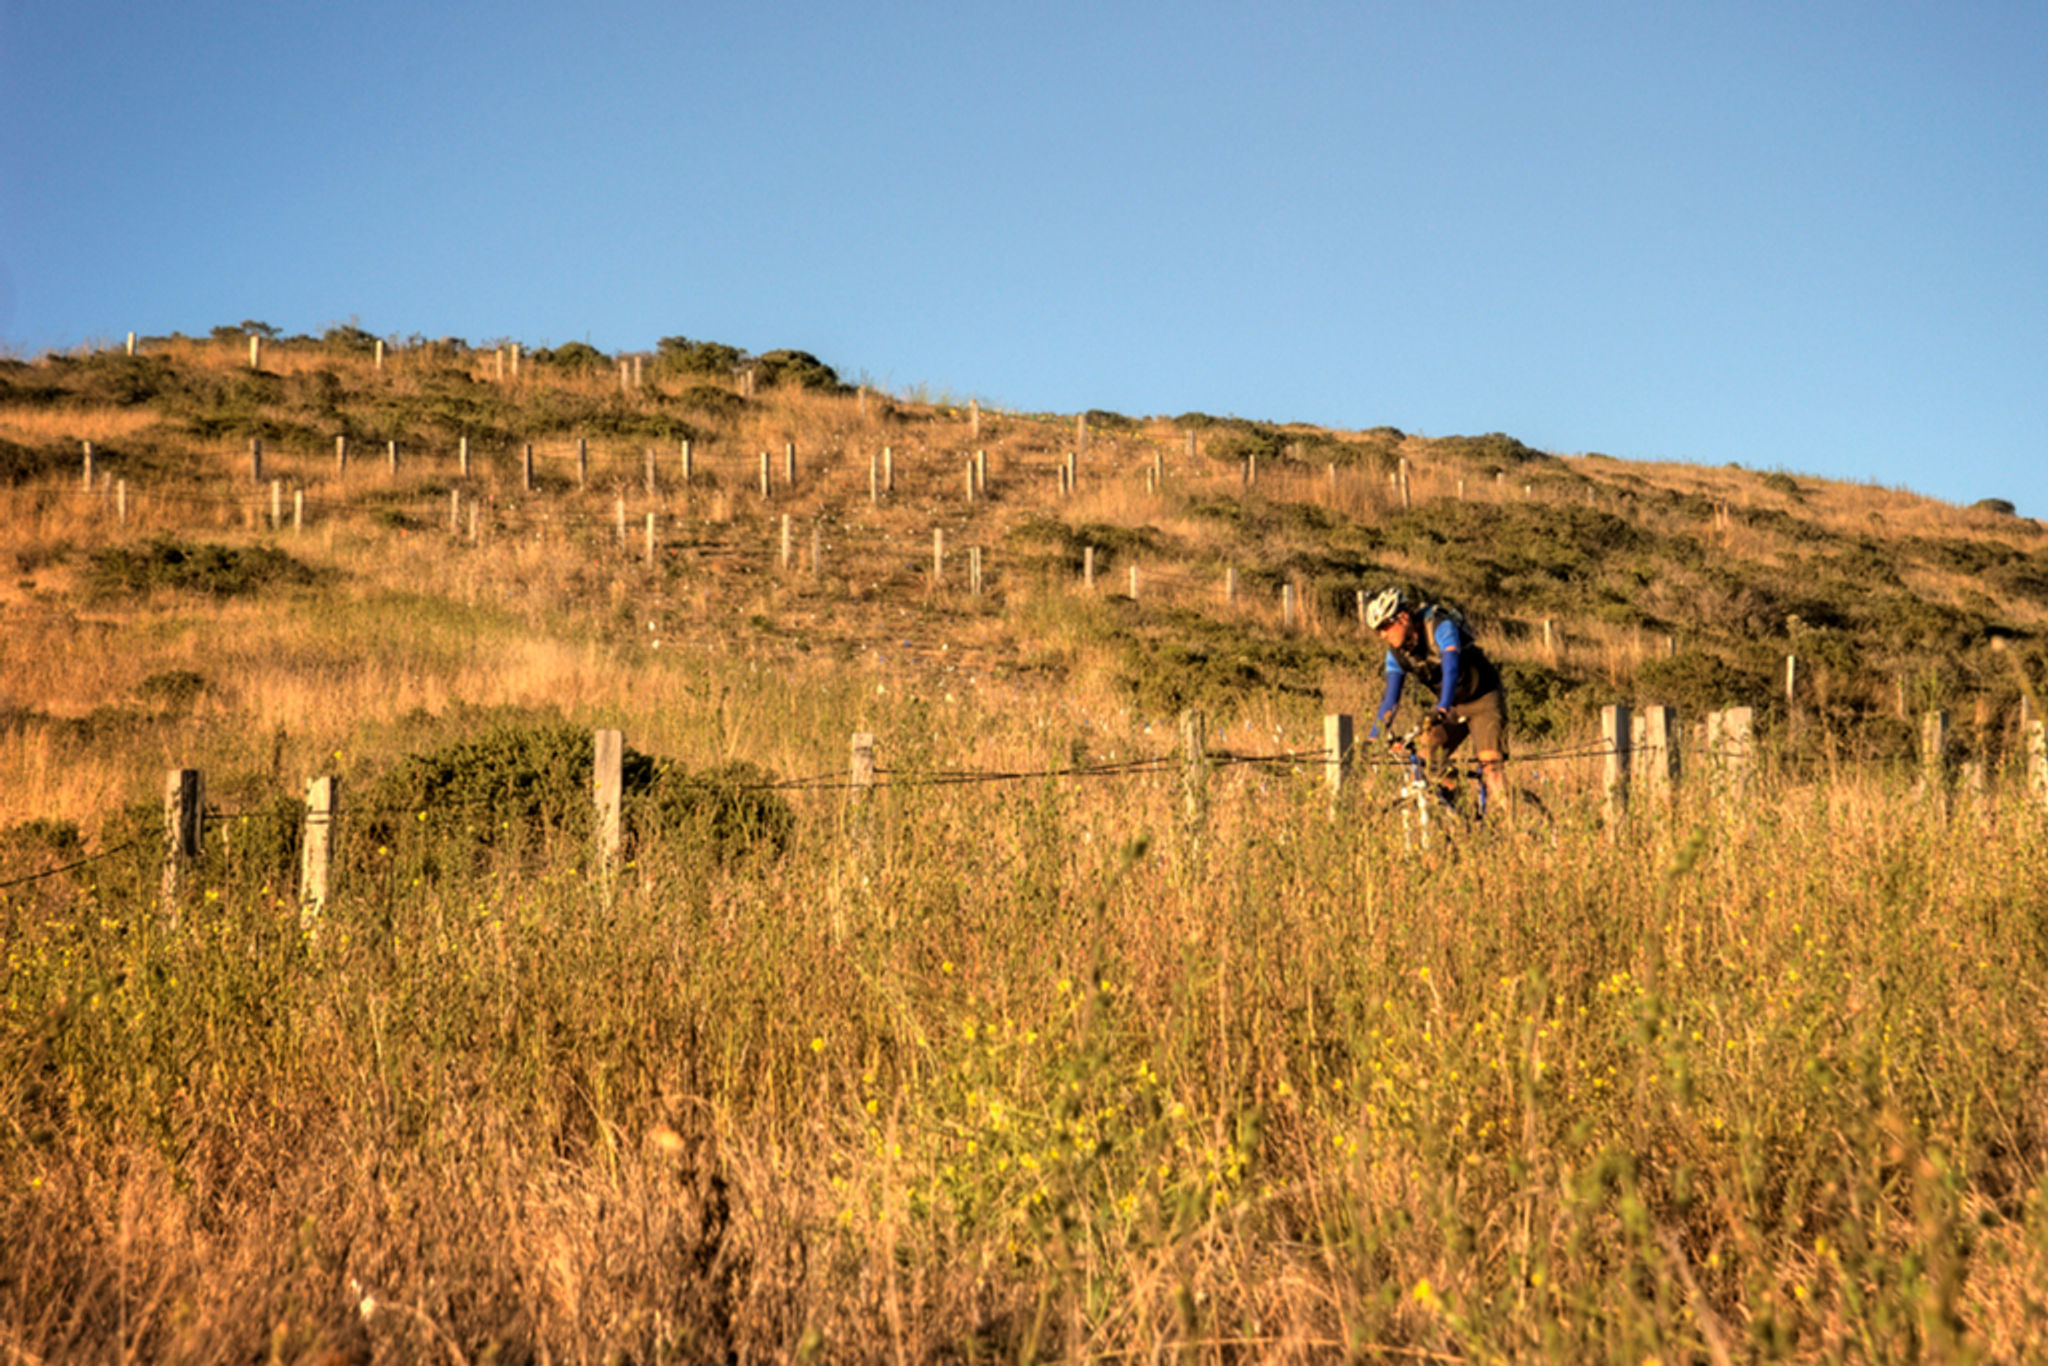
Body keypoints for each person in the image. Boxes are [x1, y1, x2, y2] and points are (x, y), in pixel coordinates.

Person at [1362, 587, 1510, 811]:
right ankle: (1466, 812)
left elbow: (1451, 669)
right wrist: (1375, 737)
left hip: (1483, 698)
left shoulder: (1439, 626)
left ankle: (1520, 830)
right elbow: (1391, 699)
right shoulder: (1396, 655)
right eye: (1378, 630)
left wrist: (1441, 708)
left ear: (1402, 618)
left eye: (1385, 626)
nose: (1383, 635)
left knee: (1491, 769)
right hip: (1453, 705)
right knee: (1425, 760)